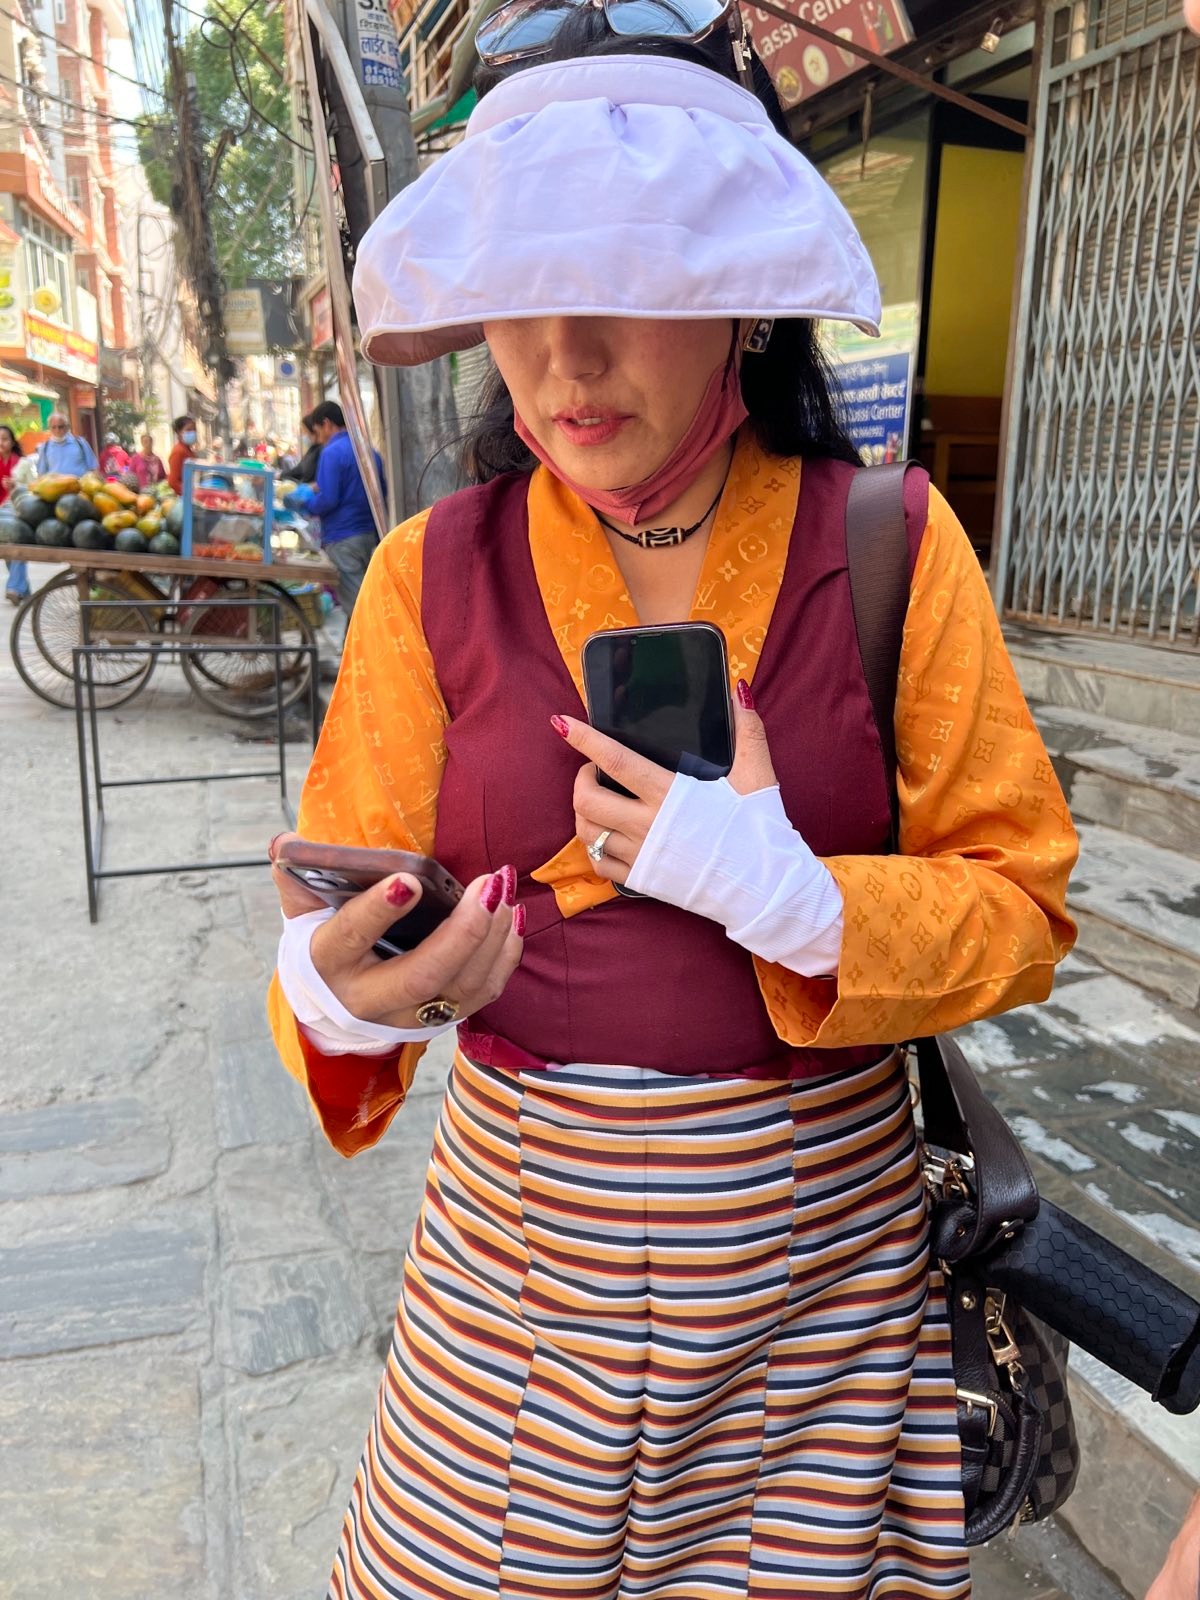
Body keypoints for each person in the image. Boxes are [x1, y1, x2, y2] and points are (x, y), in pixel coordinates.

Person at [266, 17, 1080, 1600]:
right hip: (517, 1282)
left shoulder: (894, 548)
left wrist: (798, 897)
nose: (564, 359)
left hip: (821, 1303)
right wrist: (346, 992)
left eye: (627, 286)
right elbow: (339, 917)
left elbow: (1026, 902)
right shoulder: (422, 577)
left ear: (735, 288)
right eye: (523, 287)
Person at [296, 399, 383, 619]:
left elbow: (329, 499)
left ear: (326, 424)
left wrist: (305, 503)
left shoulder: (332, 452)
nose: (318, 437)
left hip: (342, 536)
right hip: (368, 535)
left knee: (358, 608)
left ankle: (373, 651)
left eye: (316, 430)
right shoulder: (369, 451)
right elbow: (382, 492)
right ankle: (351, 651)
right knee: (360, 598)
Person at [1, 423, 28, 605]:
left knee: (17, 545)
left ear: (12, 442)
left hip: (18, 511)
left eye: (4, 439)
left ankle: (15, 587)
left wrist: (16, 486)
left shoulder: (22, 463)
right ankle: (23, 590)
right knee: (8, 553)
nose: (1, 443)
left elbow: (34, 488)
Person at [35, 412, 97, 477]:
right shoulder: (45, 447)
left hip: (80, 485)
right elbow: (41, 474)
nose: (57, 430)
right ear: (49, 428)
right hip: (56, 486)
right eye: (54, 427)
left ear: (67, 427)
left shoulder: (80, 443)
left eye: (60, 427)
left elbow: (93, 468)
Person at [167, 414, 197, 495]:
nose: (193, 432)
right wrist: (192, 494)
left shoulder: (189, 450)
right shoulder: (178, 451)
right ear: (179, 432)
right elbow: (173, 482)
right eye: (188, 430)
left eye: (194, 429)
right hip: (184, 498)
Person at [290, 418, 321, 484]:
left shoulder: (321, 450)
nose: (304, 435)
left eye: (305, 431)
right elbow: (299, 469)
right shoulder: (312, 448)